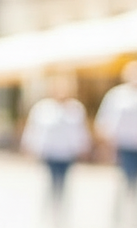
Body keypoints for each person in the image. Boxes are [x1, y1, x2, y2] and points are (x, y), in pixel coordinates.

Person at [20, 75, 91, 217]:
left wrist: (83, 148)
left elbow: (80, 131)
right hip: (50, 152)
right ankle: (49, 212)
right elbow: (33, 129)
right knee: (50, 182)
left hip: (67, 153)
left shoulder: (75, 109)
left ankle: (61, 212)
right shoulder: (43, 108)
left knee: (64, 183)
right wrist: (29, 146)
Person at [95, 59, 137, 222]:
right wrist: (107, 143)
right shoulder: (117, 95)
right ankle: (118, 218)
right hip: (123, 145)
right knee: (123, 182)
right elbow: (104, 120)